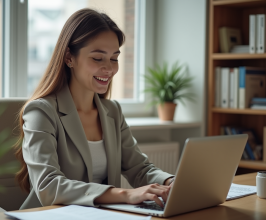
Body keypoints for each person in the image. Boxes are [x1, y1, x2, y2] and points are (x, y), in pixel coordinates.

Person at [15, 8, 175, 210]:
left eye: (114, 58)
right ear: (69, 58)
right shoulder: (41, 112)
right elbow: (48, 186)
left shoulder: (112, 111)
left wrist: (171, 182)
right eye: (98, 58)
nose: (109, 68)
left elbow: (139, 168)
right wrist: (125, 194)